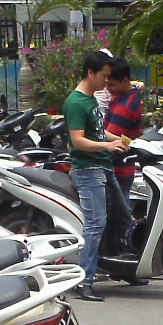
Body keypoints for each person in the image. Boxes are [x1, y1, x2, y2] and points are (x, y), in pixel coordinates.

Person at [65, 50, 128, 302]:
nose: (107, 81)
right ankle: (85, 281)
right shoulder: (76, 103)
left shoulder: (90, 99)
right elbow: (78, 141)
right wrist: (108, 146)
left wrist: (122, 140)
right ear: (91, 73)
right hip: (88, 170)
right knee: (95, 225)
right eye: (104, 76)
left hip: (103, 167)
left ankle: (124, 269)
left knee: (123, 215)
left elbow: (99, 132)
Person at [103, 58, 142, 200]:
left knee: (117, 210)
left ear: (125, 80)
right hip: (124, 168)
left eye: (111, 85)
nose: (108, 88)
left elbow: (111, 139)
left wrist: (89, 128)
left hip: (117, 169)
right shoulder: (130, 95)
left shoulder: (124, 107)